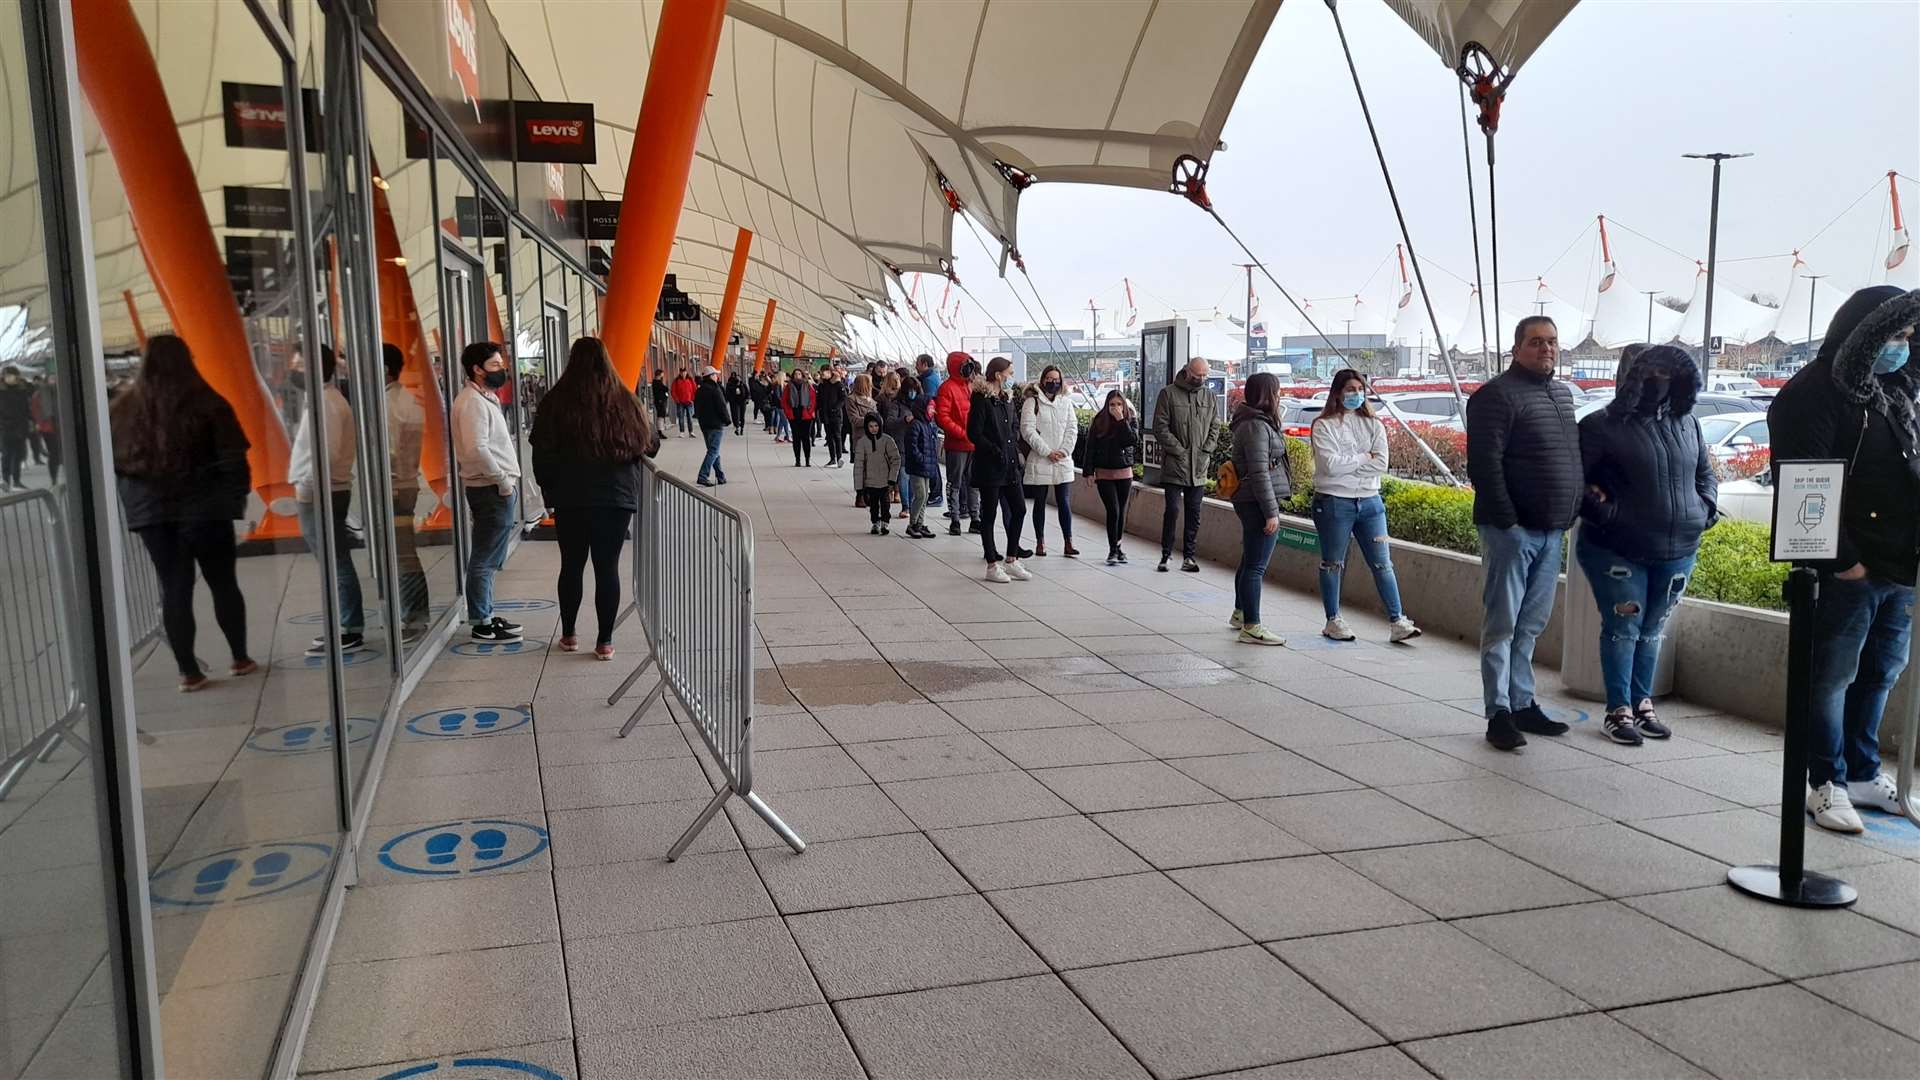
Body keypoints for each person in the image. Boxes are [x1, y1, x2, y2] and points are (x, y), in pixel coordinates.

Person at [1770, 285, 1920, 832]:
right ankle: (1824, 782)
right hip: (1847, 569)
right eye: (1892, 335)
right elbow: (1804, 481)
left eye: (1908, 337)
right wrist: (1845, 561)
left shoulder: (1895, 392)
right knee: (1830, 678)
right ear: (1863, 332)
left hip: (1900, 567)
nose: (1901, 347)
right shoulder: (1812, 393)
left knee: (1881, 673)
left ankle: (1861, 771)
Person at [1575, 345, 1714, 746]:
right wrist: (1611, 516)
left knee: (1652, 629)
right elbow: (1576, 483)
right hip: (1615, 548)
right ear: (1631, 374)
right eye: (1651, 372)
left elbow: (1704, 473)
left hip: (1678, 547)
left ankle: (1641, 703)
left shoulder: (1688, 424)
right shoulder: (1600, 425)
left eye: (1669, 373)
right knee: (1624, 626)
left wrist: (1704, 510)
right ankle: (1618, 710)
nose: (1660, 381)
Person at [110, 335, 256, 691]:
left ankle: (188, 672)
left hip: (155, 516)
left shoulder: (124, 410)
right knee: (223, 582)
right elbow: (233, 457)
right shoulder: (209, 402)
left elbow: (117, 463)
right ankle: (239, 658)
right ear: (188, 360)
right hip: (206, 509)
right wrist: (235, 498)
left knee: (174, 587)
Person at [1467, 316, 1582, 751]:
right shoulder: (1495, 397)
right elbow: (1484, 465)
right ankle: (1498, 712)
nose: (1546, 349)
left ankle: (1522, 702)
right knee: (1502, 625)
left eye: (1552, 341)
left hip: (1552, 531)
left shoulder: (1561, 394)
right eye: (1536, 342)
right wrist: (1508, 523)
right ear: (1516, 349)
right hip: (1510, 532)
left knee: (1530, 625)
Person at [533, 337, 655, 662]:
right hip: (616, 499)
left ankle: (569, 634)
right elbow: (650, 443)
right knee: (607, 567)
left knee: (571, 565)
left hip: (571, 498)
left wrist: (549, 489)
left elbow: (541, 453)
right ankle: (605, 641)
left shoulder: (555, 402)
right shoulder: (624, 401)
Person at [1310, 369, 1421, 644]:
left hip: (1371, 503)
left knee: (1383, 562)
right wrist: (1363, 457)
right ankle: (1332, 619)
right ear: (1337, 392)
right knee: (1333, 562)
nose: (1356, 394)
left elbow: (1380, 464)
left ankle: (1397, 620)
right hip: (1334, 502)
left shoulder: (1375, 425)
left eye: (1360, 389)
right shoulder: (1324, 425)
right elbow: (1329, 466)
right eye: (1350, 389)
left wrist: (1351, 465)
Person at [287, 344, 364, 655]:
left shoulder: (327, 403)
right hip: (323, 489)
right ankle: (347, 625)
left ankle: (349, 628)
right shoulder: (321, 400)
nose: (294, 371)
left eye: (300, 365)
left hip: (322, 491)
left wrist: (306, 484)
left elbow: (327, 454)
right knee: (334, 560)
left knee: (335, 561)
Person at [452, 341, 525, 643]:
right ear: (477, 369)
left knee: (490, 556)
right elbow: (476, 448)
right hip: (490, 489)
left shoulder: (485, 398)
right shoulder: (472, 402)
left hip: (495, 487)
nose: (501, 370)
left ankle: (486, 614)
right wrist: (502, 481)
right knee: (484, 558)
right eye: (494, 365)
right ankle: (481, 622)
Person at [1228, 373, 1290, 646]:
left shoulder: (1257, 422)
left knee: (1249, 559)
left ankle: (1242, 612)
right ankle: (1252, 625)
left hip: (1252, 499)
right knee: (1256, 566)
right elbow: (1259, 473)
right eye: (1277, 392)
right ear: (1268, 394)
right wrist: (1271, 511)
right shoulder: (1255, 426)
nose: (1280, 397)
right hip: (1257, 501)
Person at [1153, 356, 1219, 572]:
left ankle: (1189, 556)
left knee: (1194, 512)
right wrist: (1179, 451)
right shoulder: (1168, 393)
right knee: (1172, 510)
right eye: (1198, 375)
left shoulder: (1209, 396)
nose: (1201, 379)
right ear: (1187, 372)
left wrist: (1206, 449)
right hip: (1175, 465)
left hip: (1199, 467)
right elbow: (1160, 427)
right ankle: (1166, 554)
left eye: (1205, 375)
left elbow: (1215, 426)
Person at [968, 357, 1031, 583]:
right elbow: (974, 432)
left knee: (1019, 509)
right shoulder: (982, 399)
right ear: (997, 374)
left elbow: (1013, 425)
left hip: (1010, 465)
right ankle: (991, 563)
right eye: (1008, 373)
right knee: (990, 513)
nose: (1010, 377)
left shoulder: (1007, 399)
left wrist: (1012, 446)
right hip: (990, 465)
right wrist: (995, 450)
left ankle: (1012, 558)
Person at [383, 344, 430, 642]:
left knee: (402, 555)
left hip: (395, 486)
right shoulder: (405, 399)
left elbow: (388, 452)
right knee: (404, 553)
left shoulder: (389, 404)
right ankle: (413, 612)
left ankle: (413, 616)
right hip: (406, 483)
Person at [1021, 364, 1080, 557]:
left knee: (1064, 501)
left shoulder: (1066, 402)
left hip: (1062, 460)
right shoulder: (1032, 402)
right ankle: (1040, 541)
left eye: (1057, 380)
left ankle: (1068, 542)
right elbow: (1027, 430)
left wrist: (1063, 451)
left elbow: (1072, 428)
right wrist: (1047, 452)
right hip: (1041, 459)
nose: (1053, 383)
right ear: (1042, 380)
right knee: (1040, 501)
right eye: (1049, 379)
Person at [1085, 390, 1140, 565]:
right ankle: (1112, 549)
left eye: (1119, 404)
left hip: (1124, 472)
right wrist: (1088, 471)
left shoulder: (1130, 420)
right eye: (1112, 405)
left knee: (1121, 510)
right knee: (1113, 510)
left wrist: (1121, 421)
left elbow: (1131, 440)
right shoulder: (1099, 421)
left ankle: (1118, 547)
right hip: (1104, 473)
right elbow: (1090, 446)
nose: (1115, 408)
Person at [935, 352, 980, 534]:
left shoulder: (972, 387)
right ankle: (955, 518)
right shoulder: (947, 388)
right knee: (955, 483)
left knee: (973, 482)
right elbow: (942, 417)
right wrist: (962, 433)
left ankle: (975, 517)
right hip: (957, 444)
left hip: (972, 443)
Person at [852, 412, 901, 535]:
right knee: (873, 505)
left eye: (876, 426)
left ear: (880, 425)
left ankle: (885, 522)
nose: (874, 429)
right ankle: (875, 522)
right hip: (870, 481)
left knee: (885, 504)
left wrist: (892, 478)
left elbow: (896, 459)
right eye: (870, 426)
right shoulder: (862, 442)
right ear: (867, 428)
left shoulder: (887, 440)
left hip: (885, 481)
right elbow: (858, 465)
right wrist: (859, 487)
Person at [902, 393, 941, 539]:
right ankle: (913, 524)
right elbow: (911, 447)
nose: (933, 411)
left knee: (924, 497)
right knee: (920, 495)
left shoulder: (927, 425)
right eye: (931, 408)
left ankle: (919, 523)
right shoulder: (916, 425)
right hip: (918, 467)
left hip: (925, 467)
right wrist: (922, 459)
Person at [879, 372, 915, 518]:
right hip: (899, 444)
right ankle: (906, 505)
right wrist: (904, 420)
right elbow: (889, 422)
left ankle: (912, 504)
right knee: (904, 475)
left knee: (913, 477)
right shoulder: (895, 405)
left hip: (914, 444)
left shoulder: (919, 403)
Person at [915, 353, 945, 507]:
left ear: (925, 364)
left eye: (918, 363)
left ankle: (936, 494)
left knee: (930, 458)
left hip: (929, 424)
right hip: (929, 423)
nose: (916, 366)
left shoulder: (929, 381)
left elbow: (928, 403)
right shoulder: (930, 377)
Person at [694, 365, 730, 487]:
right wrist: (727, 420)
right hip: (716, 424)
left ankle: (720, 476)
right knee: (713, 451)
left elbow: (696, 408)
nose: (717, 376)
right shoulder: (715, 389)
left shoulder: (699, 390)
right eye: (715, 374)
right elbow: (722, 407)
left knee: (714, 451)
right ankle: (703, 476)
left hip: (705, 425)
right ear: (710, 376)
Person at [0, 365, 33, 490]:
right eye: (6, 375)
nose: (9, 378)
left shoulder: (22, 390)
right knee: (7, 454)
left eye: (11, 375)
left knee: (18, 454)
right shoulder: (1, 391)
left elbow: (26, 409)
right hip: (5, 428)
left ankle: (17, 480)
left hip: (20, 427)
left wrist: (30, 421)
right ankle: (6, 480)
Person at [844, 373, 879, 489]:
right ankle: (861, 494)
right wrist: (871, 420)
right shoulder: (851, 399)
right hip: (860, 436)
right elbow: (854, 419)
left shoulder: (872, 401)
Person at [783, 366, 817, 465]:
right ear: (793, 376)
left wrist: (810, 411)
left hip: (806, 415)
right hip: (794, 415)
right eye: (795, 374)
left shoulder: (807, 385)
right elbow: (784, 400)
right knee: (796, 438)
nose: (797, 376)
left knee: (806, 438)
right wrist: (788, 412)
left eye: (799, 374)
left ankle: (807, 459)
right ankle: (797, 460)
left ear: (802, 375)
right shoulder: (788, 386)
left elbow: (813, 399)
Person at [817, 361, 849, 466]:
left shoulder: (838, 384)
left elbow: (843, 398)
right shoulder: (821, 385)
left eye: (824, 372)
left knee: (837, 436)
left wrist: (836, 408)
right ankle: (832, 458)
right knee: (829, 437)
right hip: (825, 414)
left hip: (836, 415)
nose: (822, 374)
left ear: (830, 372)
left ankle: (839, 457)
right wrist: (819, 410)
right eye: (821, 372)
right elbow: (819, 399)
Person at [30, 375, 59, 486]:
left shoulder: (63, 391)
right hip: (48, 428)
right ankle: (54, 479)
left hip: (61, 427)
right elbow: (35, 410)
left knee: (59, 454)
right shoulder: (39, 394)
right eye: (52, 379)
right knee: (54, 453)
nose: (54, 381)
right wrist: (40, 423)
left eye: (55, 378)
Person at [670, 367, 697, 435]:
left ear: (686, 372)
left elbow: (695, 390)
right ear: (680, 373)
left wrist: (692, 399)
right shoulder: (676, 381)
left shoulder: (690, 380)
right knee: (681, 418)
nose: (683, 373)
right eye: (682, 372)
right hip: (680, 402)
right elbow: (673, 391)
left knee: (690, 418)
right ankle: (682, 432)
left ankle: (691, 432)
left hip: (689, 402)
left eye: (684, 372)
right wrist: (677, 400)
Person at [770, 371, 792, 442]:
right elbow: (778, 396)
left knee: (782, 422)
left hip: (781, 406)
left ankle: (777, 437)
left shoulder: (782, 385)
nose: (785, 377)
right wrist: (784, 402)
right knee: (785, 421)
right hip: (780, 406)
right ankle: (787, 437)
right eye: (784, 376)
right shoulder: (777, 386)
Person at [725, 370, 749, 436]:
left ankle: (742, 428)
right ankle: (737, 427)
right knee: (736, 415)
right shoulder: (730, 384)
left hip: (742, 402)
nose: (737, 379)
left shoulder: (743, 384)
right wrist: (728, 400)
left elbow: (747, 392)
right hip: (734, 402)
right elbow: (728, 393)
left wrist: (747, 399)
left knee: (742, 416)